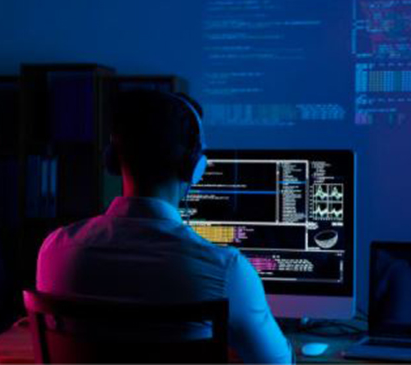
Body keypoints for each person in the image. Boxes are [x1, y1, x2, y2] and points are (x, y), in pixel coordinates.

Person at [36, 89, 293, 364]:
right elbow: (277, 362)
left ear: (112, 159)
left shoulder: (55, 251)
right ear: (194, 167)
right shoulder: (228, 271)